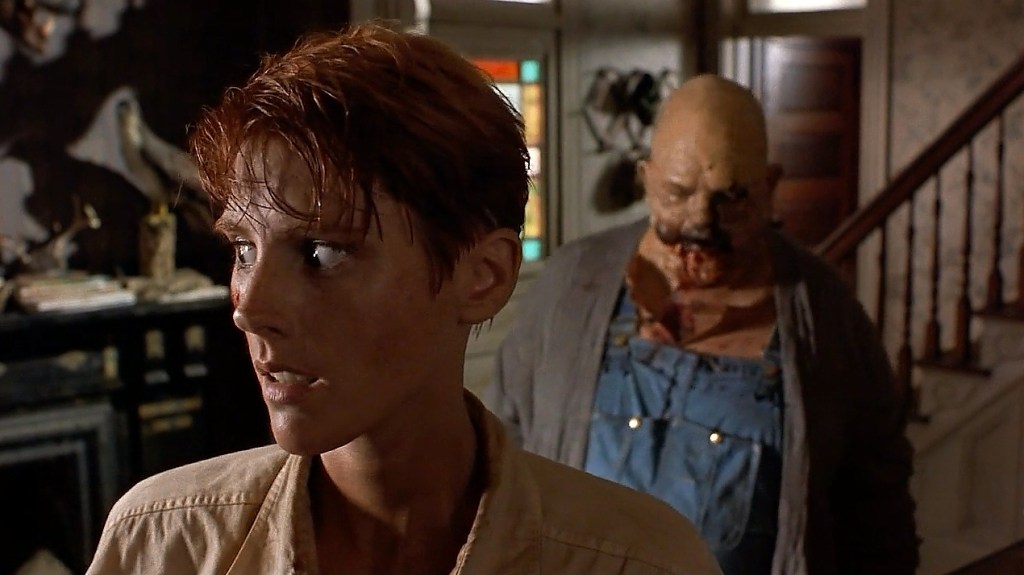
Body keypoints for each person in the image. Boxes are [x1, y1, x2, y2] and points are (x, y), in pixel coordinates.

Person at [85, 23, 721, 575]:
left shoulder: (638, 561)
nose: (250, 308)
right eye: (244, 249)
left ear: (483, 277)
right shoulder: (163, 544)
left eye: (323, 253)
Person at [489, 74, 919, 575]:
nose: (700, 222)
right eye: (677, 193)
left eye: (731, 198)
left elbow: (878, 505)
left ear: (770, 187)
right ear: (647, 179)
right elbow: (501, 452)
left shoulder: (825, 311)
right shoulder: (572, 281)